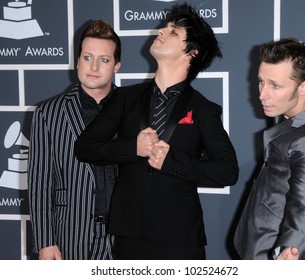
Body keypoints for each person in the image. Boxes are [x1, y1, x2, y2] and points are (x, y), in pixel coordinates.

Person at [75, 3, 239, 260]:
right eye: (166, 26)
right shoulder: (125, 98)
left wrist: (171, 161)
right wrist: (132, 148)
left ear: (191, 53)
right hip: (130, 237)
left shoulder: (204, 110)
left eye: (173, 32)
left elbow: (227, 171)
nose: (161, 30)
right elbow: (85, 146)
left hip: (180, 238)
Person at [234, 38, 305, 260]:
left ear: (304, 87)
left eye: (275, 85)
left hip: (270, 241)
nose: (262, 95)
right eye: (261, 82)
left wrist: (292, 248)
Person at [28, 19, 121, 260]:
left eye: (104, 59)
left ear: (116, 66)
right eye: (88, 57)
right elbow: (40, 183)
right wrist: (45, 242)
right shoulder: (48, 113)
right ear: (78, 61)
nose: (94, 67)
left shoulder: (133, 107)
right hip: (70, 235)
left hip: (125, 237)